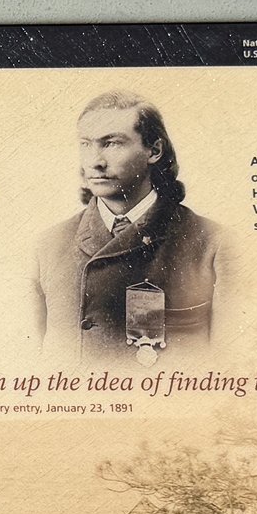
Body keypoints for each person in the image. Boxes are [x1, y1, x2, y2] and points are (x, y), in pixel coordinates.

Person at [33, 91, 218, 364]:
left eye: (112, 143)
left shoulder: (212, 242)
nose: (95, 161)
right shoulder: (48, 245)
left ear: (154, 150)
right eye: (86, 144)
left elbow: (230, 363)